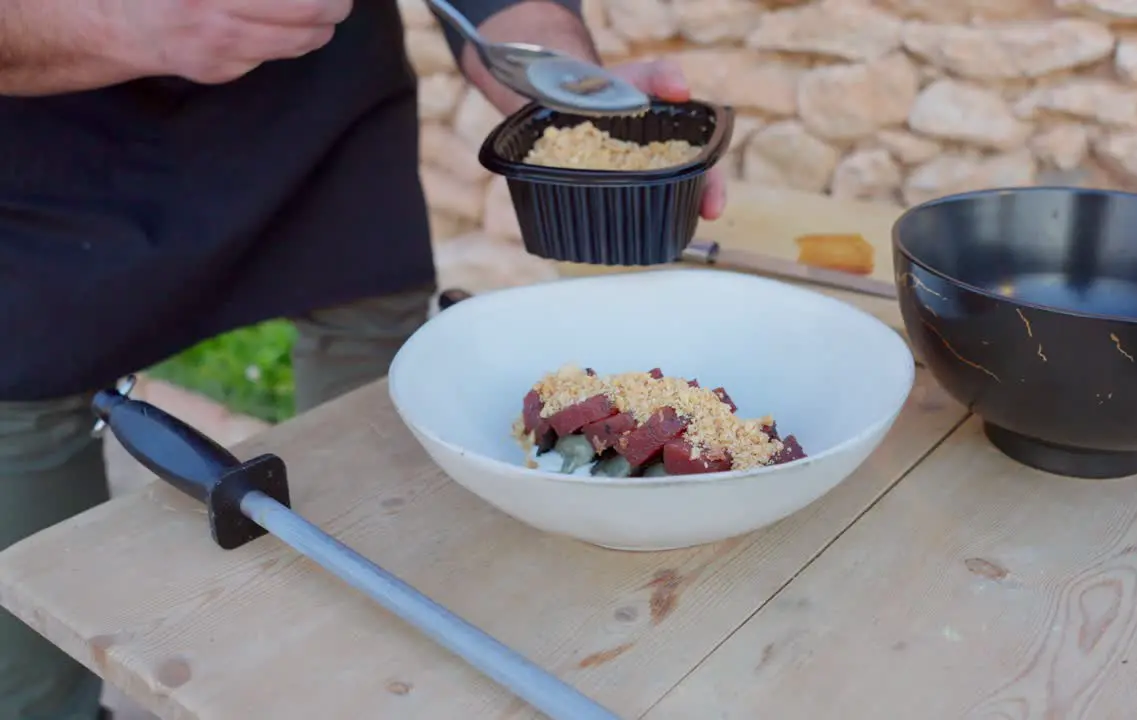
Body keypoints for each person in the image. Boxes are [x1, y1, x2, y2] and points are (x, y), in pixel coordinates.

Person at [0, 1, 727, 717]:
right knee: (24, 600)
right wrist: (117, 23)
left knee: (384, 527)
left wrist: (571, 92)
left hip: (324, 119)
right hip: (43, 165)